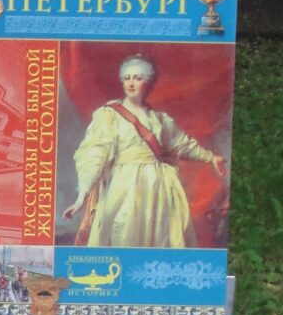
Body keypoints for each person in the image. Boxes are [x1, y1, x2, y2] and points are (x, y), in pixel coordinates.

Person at [63, 55, 227, 249]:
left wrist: (211, 157)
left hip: (159, 188)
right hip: (125, 187)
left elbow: (182, 145)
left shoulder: (160, 119)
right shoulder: (109, 115)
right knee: (124, 233)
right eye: (127, 78)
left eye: (137, 78)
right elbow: (95, 152)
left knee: (161, 237)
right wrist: (83, 193)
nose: (131, 83)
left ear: (147, 81)